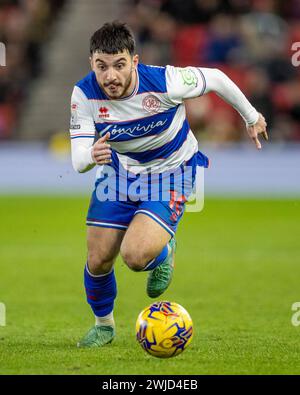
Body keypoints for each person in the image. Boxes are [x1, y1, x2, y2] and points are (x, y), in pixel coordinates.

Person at [70, 21, 268, 348]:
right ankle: (103, 326)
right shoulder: (84, 93)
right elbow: (79, 160)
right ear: (92, 64)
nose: (110, 76)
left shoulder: (166, 80)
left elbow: (216, 78)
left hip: (171, 172)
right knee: (98, 258)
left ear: (134, 61)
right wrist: (91, 153)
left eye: (119, 65)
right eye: (101, 67)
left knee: (135, 257)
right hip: (120, 174)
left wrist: (251, 116)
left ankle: (164, 251)